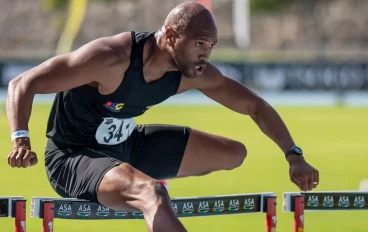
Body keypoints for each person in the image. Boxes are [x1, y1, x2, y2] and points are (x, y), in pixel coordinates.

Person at [6, 2, 319, 232]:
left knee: (233, 153)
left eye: (210, 46)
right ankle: (142, 190)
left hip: (127, 146)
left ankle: (132, 179)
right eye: (199, 44)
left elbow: (256, 106)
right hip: (73, 157)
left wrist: (293, 154)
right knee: (152, 193)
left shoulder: (191, 73)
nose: (205, 55)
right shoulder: (110, 59)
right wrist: (21, 139)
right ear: (170, 35)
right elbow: (23, 83)